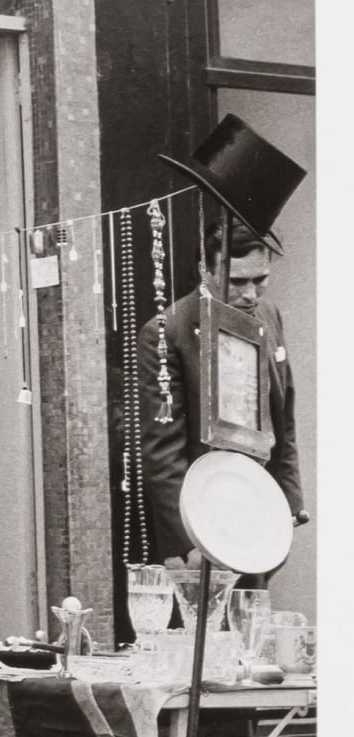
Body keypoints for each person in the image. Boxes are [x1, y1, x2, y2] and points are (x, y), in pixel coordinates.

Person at [138, 218, 309, 567]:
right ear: (207, 270)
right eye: (237, 282)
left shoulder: (268, 314)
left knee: (252, 613)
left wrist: (289, 504)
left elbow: (283, 416)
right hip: (201, 519)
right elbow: (162, 453)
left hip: (258, 514)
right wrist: (189, 543)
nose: (250, 295)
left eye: (260, 280)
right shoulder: (168, 332)